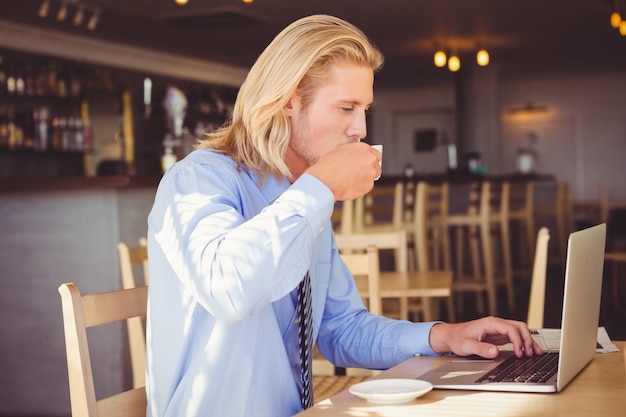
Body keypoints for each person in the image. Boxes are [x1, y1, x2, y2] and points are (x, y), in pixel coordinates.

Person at [145, 14, 542, 417]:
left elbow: (342, 329)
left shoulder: (303, 197)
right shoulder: (197, 181)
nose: (360, 128)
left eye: (365, 108)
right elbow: (229, 290)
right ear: (288, 99)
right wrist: (320, 186)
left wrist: (444, 336)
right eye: (347, 107)